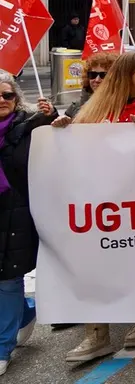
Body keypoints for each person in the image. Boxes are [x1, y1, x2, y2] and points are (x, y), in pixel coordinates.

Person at [53, 50, 135, 361]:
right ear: (126, 73)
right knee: (95, 261)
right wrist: (64, 130)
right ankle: (96, 334)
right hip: (105, 201)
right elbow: (80, 150)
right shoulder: (98, 106)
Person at [0, 74, 53, 376]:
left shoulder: (30, 124)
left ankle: (1, 348)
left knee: (7, 279)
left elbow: (59, 137)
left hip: (17, 213)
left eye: (7, 95)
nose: (2, 101)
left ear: (16, 98)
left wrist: (52, 115)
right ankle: (25, 312)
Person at [67, 52, 117, 119]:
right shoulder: (75, 107)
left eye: (104, 75)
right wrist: (52, 114)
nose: (97, 80)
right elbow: (60, 128)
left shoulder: (126, 106)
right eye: (92, 74)